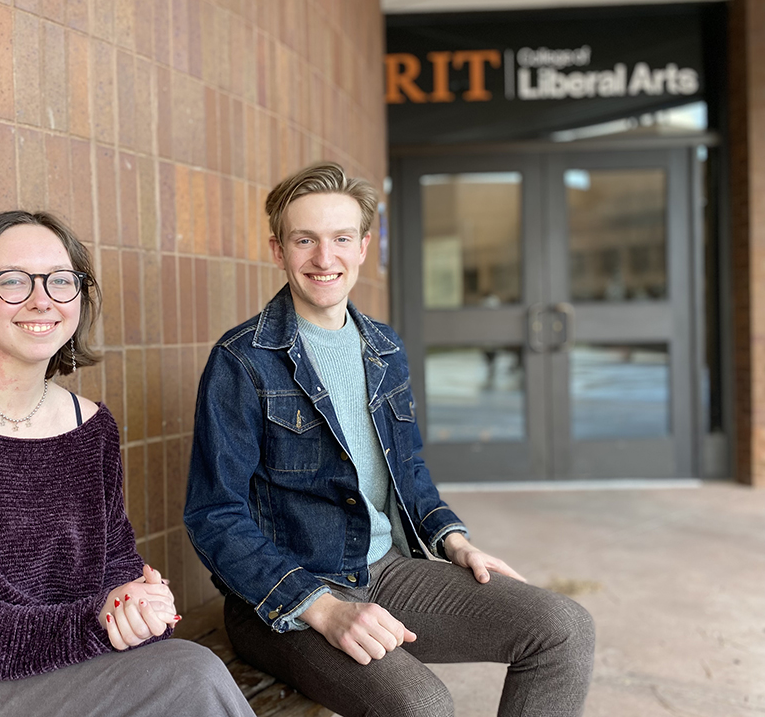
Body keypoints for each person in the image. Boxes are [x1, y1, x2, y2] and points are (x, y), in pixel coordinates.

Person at [184, 164, 595, 717]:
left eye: (341, 239)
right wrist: (321, 608)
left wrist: (454, 540)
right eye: (304, 240)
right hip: (283, 597)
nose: (323, 259)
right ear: (278, 251)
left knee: (564, 628)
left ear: (364, 248)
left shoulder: (383, 347)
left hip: (387, 570)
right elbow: (215, 514)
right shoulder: (242, 361)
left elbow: (409, 468)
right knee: (421, 705)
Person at [0, 210, 255, 717]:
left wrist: (139, 605)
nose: (42, 299)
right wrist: (91, 624)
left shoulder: (92, 428)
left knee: (185, 670)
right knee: (193, 678)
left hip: (64, 677)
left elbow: (114, 570)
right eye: (13, 281)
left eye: (61, 281)